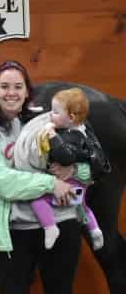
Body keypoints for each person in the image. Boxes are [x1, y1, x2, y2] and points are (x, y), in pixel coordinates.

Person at [0, 60, 87, 294]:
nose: (11, 93)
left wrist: (73, 171)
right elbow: (0, 182)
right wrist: (51, 183)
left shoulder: (51, 121)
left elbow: (89, 166)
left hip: (64, 222)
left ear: (27, 92)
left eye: (17, 86)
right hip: (17, 232)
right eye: (4, 86)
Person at [14, 87, 110, 250]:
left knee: (38, 201)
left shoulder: (72, 136)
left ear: (71, 117)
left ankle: (50, 228)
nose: (50, 115)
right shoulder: (79, 131)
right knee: (82, 207)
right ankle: (94, 230)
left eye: (55, 112)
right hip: (79, 184)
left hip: (71, 183)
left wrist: (52, 137)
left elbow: (66, 157)